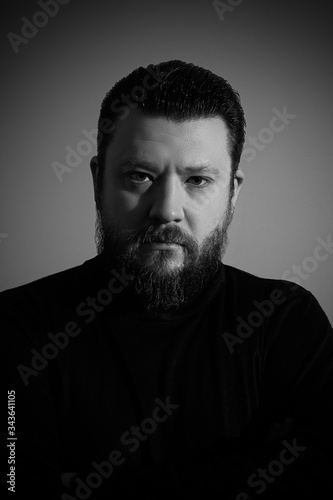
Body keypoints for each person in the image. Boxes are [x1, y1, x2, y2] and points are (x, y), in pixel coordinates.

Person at [4, 60, 333, 500]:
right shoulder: (18, 324)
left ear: (233, 193)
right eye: (140, 176)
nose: (166, 210)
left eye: (198, 179)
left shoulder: (284, 320)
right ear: (98, 180)